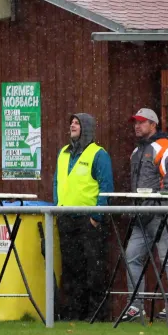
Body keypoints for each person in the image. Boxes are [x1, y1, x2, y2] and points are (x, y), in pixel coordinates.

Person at [122, 108, 168, 321]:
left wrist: (162, 207)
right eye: (135, 122)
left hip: (162, 215)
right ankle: (135, 306)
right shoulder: (136, 152)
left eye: (141, 122)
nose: (137, 126)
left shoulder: (167, 149)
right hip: (142, 216)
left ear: (153, 124)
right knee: (131, 257)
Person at [53, 113, 114, 321]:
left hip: (88, 219)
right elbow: (57, 183)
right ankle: (73, 313)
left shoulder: (99, 154)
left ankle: (96, 314)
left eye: (77, 122)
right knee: (70, 268)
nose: (72, 124)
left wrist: (97, 216)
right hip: (65, 218)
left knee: (93, 268)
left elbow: (106, 187)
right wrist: (57, 206)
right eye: (71, 122)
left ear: (86, 127)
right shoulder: (63, 153)